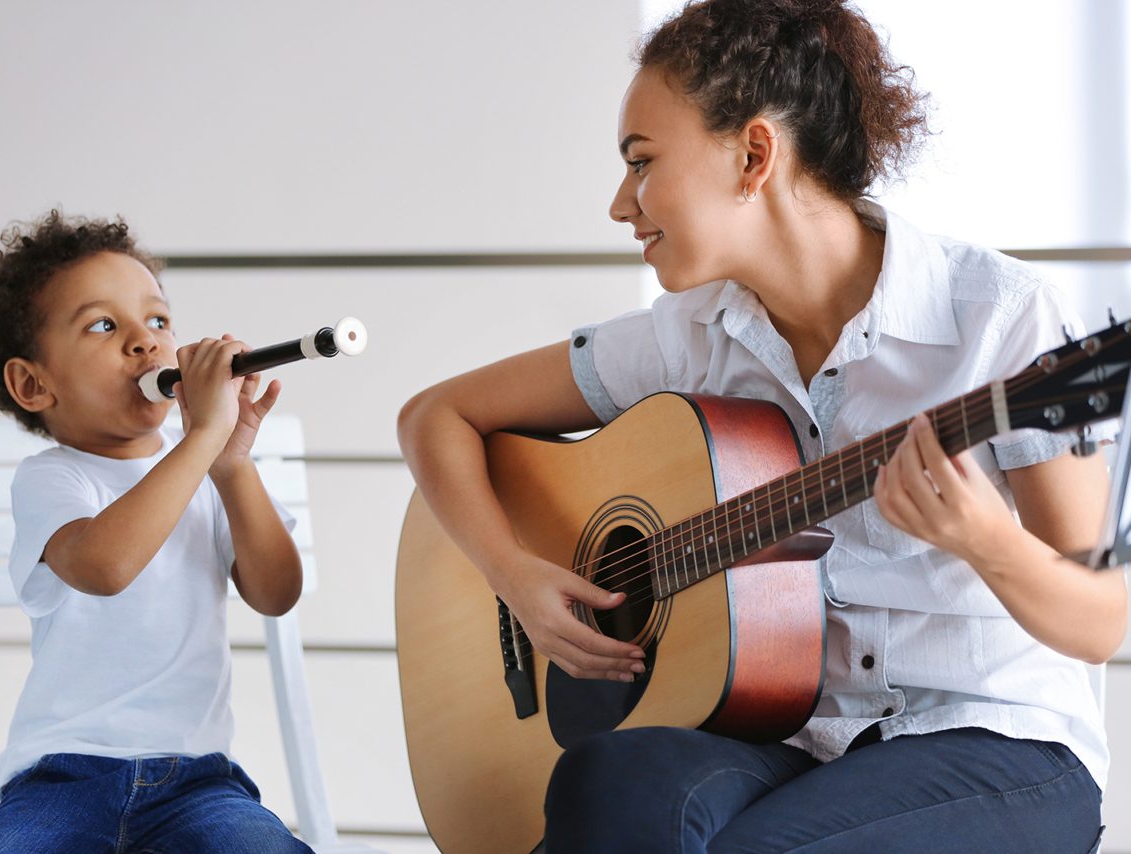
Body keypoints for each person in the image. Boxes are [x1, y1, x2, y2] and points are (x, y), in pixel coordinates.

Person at [396, 1, 1126, 850]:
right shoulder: (692, 336)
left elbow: (1100, 622)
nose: (618, 205)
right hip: (788, 736)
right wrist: (516, 574)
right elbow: (436, 415)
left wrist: (982, 540)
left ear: (753, 156)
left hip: (995, 743)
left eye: (641, 164)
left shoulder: (1001, 319)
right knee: (607, 782)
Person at [0, 210, 312, 853]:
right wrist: (202, 438)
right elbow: (105, 566)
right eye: (102, 325)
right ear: (33, 383)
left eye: (158, 320)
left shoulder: (211, 466)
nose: (146, 343)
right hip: (62, 777)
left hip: (200, 782)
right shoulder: (51, 480)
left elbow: (277, 593)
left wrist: (229, 465)